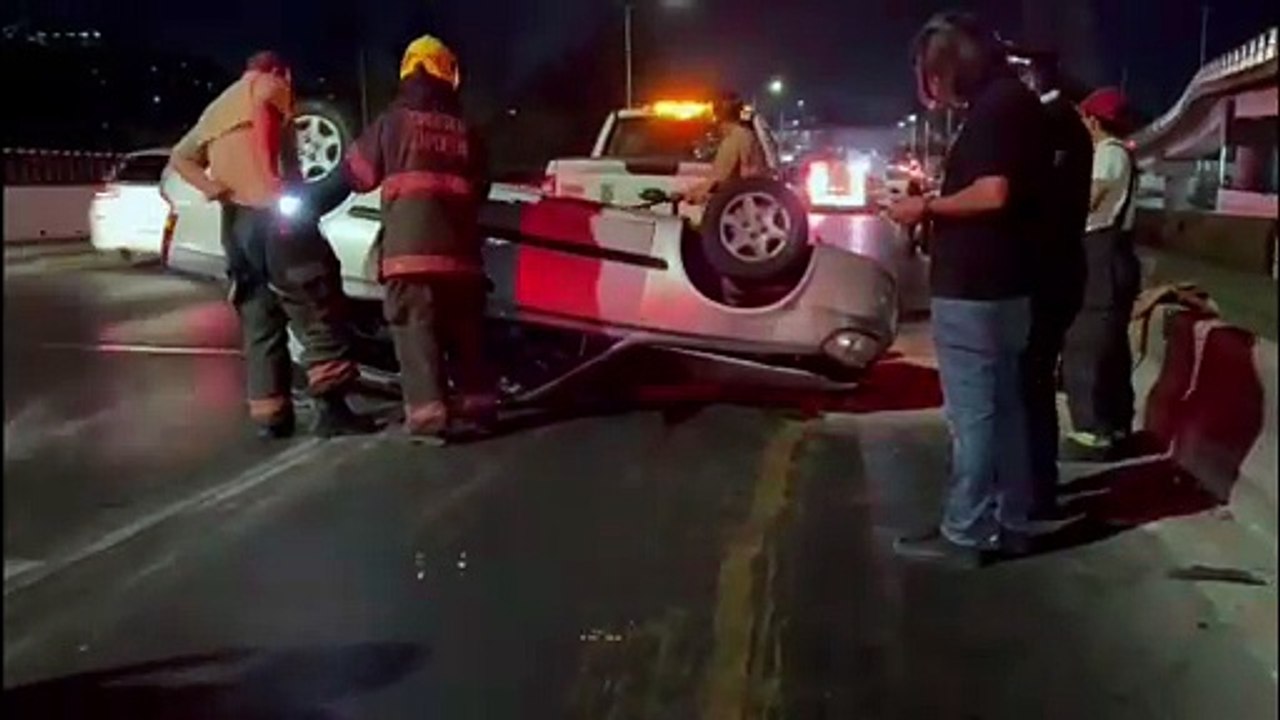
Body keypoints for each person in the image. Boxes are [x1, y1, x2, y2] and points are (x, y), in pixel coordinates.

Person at [885, 12, 1053, 565]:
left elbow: (993, 193)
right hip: (1009, 285)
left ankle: (966, 529)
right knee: (1007, 410)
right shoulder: (1018, 104)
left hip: (975, 290)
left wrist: (925, 205)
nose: (930, 85)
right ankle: (1015, 519)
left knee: (974, 418)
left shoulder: (994, 111)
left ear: (951, 66)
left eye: (931, 72)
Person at [168, 51, 368, 439]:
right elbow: (263, 111)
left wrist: (215, 190)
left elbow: (180, 157)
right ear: (281, 71)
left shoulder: (217, 108)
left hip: (237, 226)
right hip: (274, 217)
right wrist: (272, 177)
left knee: (259, 318)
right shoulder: (269, 86)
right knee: (315, 303)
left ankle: (271, 417)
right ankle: (332, 412)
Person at [344, 34, 495, 440]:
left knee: (415, 328)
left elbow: (357, 174)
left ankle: (429, 418)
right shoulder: (467, 127)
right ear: (451, 73)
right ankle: (479, 407)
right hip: (462, 255)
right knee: (467, 331)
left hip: (408, 254)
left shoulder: (392, 121)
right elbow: (481, 187)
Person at [1009, 49, 1094, 517]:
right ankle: (1037, 484)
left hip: (1045, 271)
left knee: (1028, 384)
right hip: (1060, 267)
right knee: (1035, 383)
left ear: (1031, 75)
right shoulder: (1068, 124)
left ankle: (1032, 490)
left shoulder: (1051, 124)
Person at [1060, 87, 1141, 462]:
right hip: (1112, 257)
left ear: (1092, 120)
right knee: (1110, 347)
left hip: (1101, 259)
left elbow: (1088, 201)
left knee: (1086, 343)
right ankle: (1117, 424)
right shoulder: (1119, 153)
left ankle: (1092, 432)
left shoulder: (1108, 154)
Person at [684, 94, 768, 205]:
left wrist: (699, 194)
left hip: (738, 204)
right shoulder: (739, 135)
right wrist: (694, 191)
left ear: (718, 116)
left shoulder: (738, 137)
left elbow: (722, 177)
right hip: (738, 199)